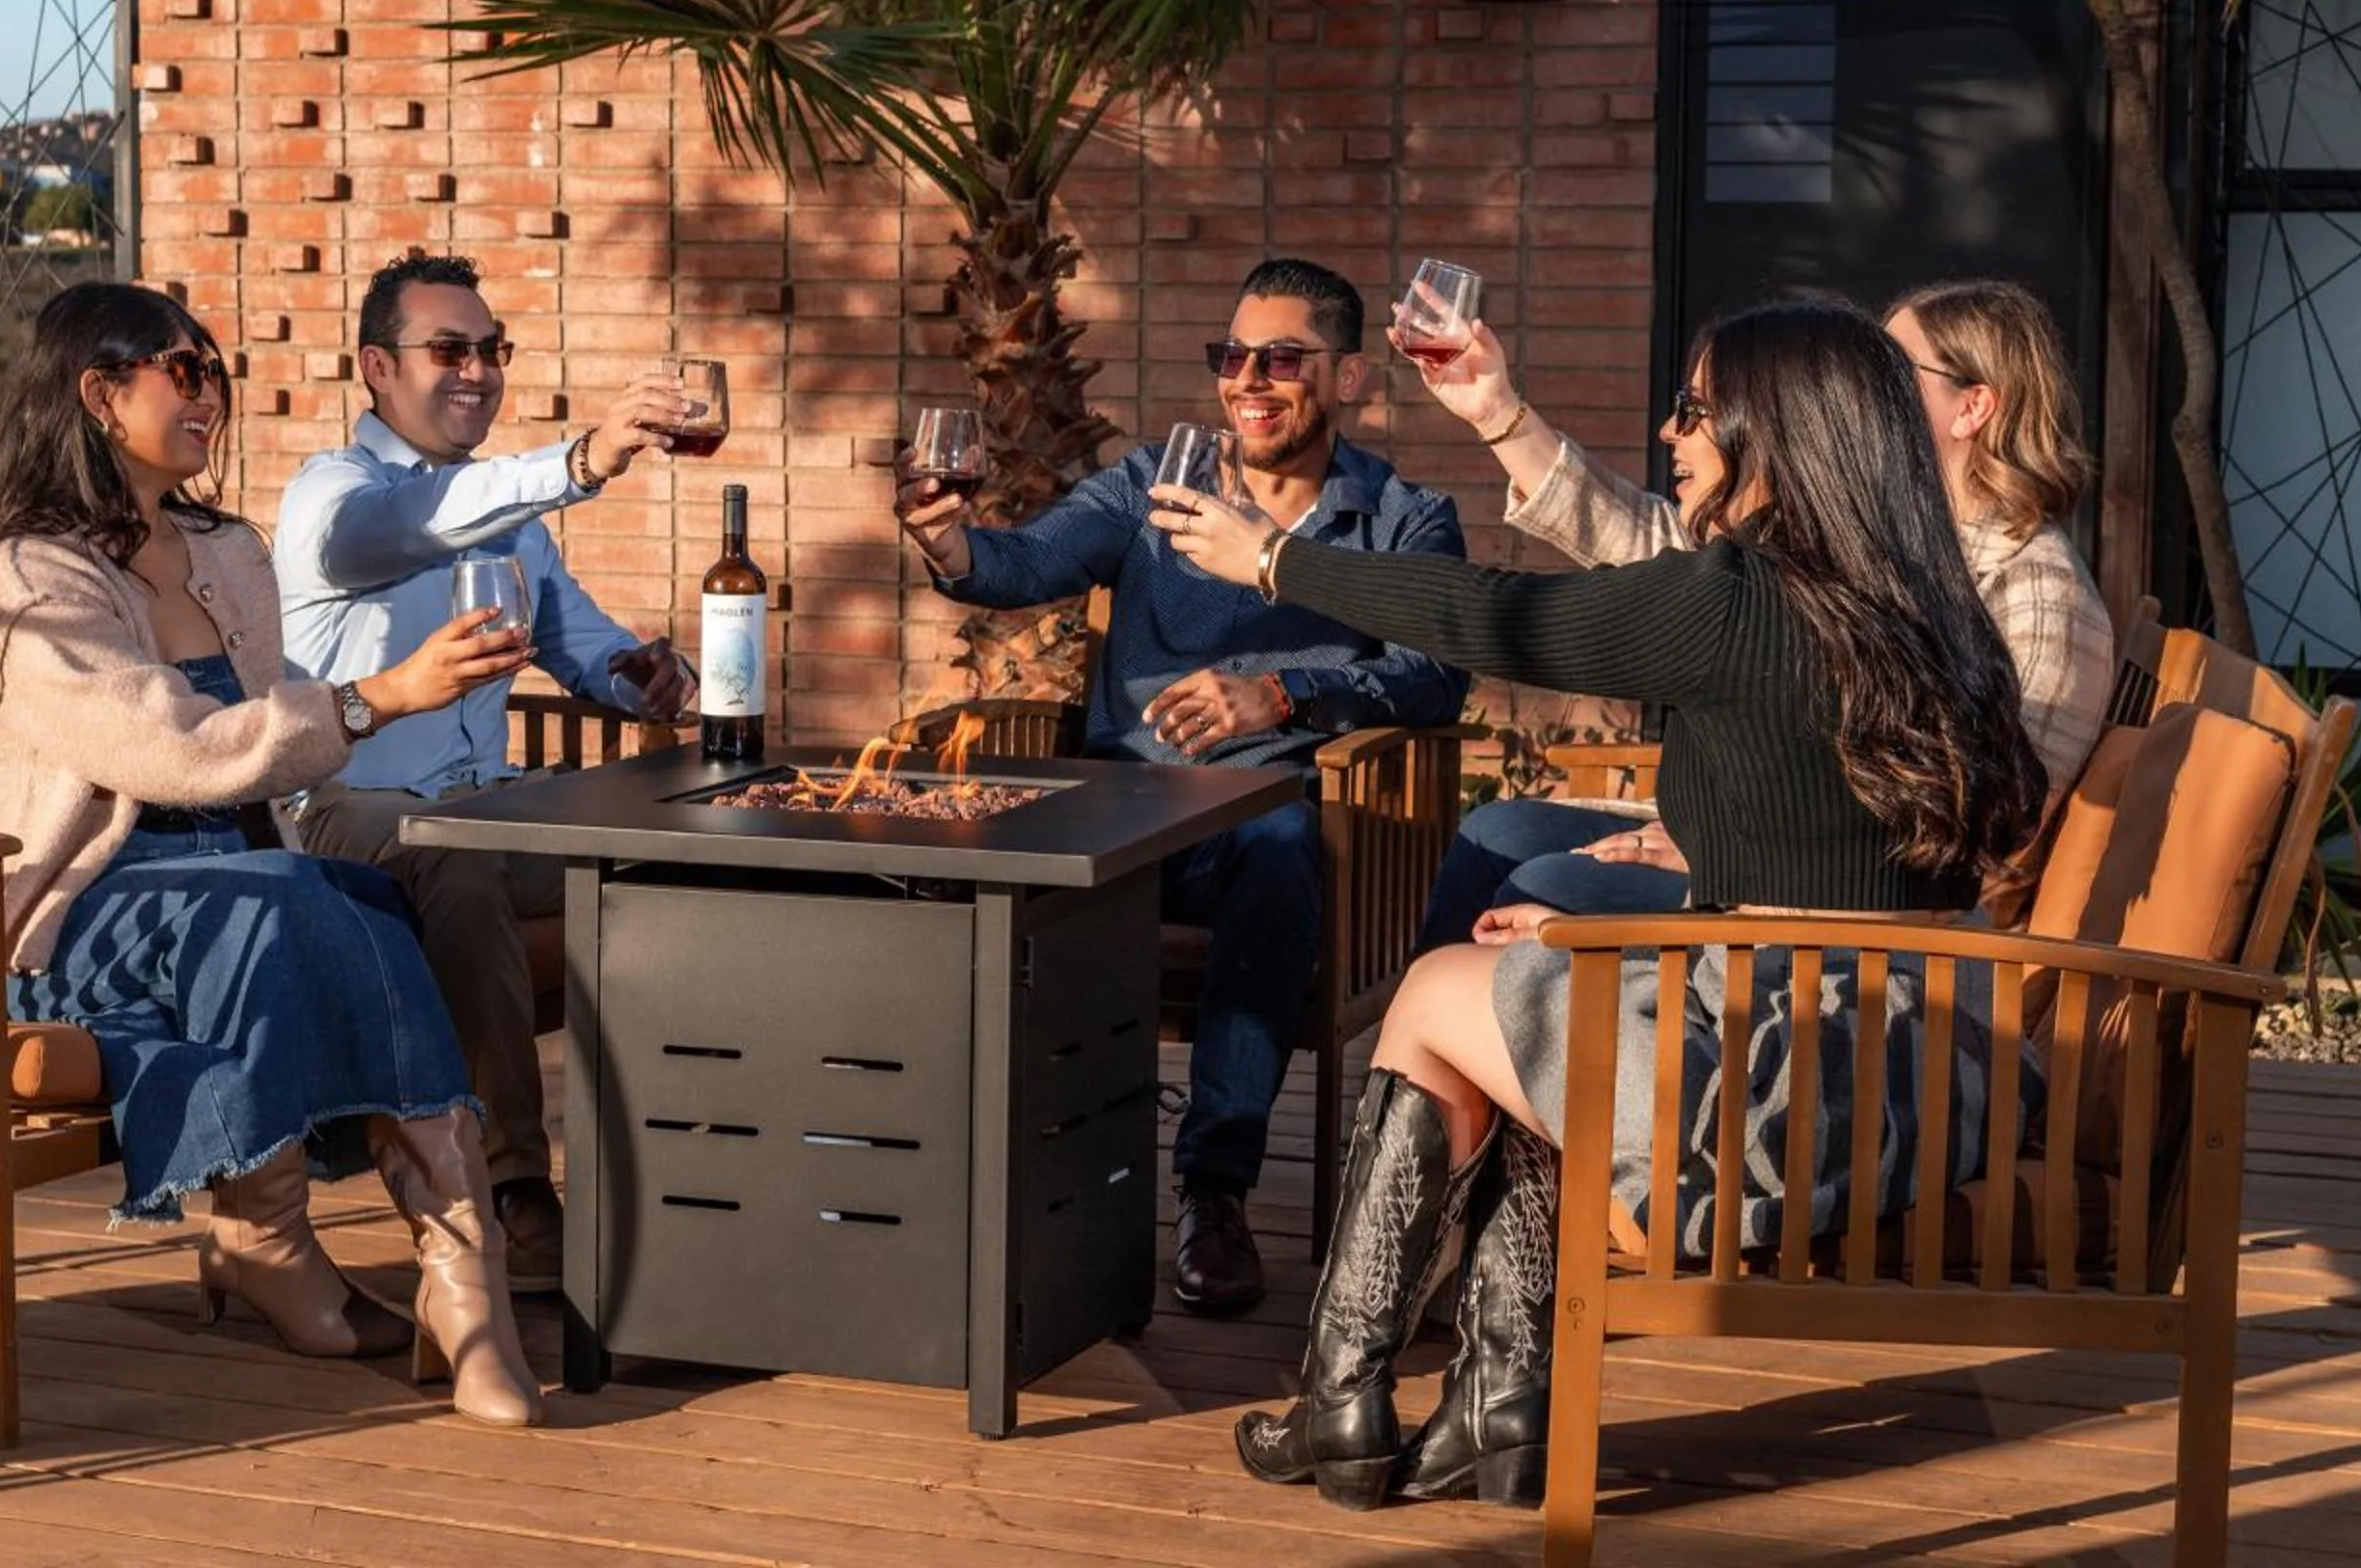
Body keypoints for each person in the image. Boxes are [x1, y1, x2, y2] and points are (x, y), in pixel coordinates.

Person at [1150, 297, 2045, 1508]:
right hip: (1923, 1071)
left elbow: (1495, 619)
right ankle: (1494, 1402)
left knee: (1428, 994)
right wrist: (1601, 933)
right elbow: (1823, 869)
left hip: (1769, 1100)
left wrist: (1272, 556)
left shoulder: (1735, 597)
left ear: (1773, 432)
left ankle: (1346, 1396)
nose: (1672, 433)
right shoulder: (1934, 607)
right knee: (1515, 985)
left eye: (1694, 409)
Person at [0, 282, 546, 1428]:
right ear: (99, 392)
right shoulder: (25, 578)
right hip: (87, 914)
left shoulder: (227, 550)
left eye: (216, 370)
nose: (211, 391)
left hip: (241, 881)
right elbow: (173, 750)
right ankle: (274, 1240)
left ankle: (465, 1280)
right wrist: (376, 699)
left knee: (341, 889)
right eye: (185, 369)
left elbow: (266, 759)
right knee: (283, 899)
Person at [897, 258, 1469, 1315]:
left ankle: (1214, 1187)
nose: (1248, 378)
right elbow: (1024, 565)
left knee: (1283, 846)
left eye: (1281, 357)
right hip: (1122, 818)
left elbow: (1437, 672)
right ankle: (950, 1175)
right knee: (954, 846)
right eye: (1232, 355)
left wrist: (1284, 694)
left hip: (1253, 837)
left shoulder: (1403, 516)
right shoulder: (1159, 480)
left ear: (1349, 378)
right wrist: (949, 541)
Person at [1419, 278, 2112, 946]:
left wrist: (1735, 859)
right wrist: (1497, 415)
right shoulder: (1887, 533)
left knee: (1538, 885)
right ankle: (1421, 1052)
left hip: (1843, 915)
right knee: (1495, 835)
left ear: (1974, 408)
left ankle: (1464, 1041)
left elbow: (1981, 830)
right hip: (1750, 846)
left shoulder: (2039, 590)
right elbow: (1669, 550)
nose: (1865, 382)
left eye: (1895, 369)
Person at [272, 251, 700, 1295]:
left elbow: (589, 649)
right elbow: (408, 529)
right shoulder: (334, 493)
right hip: (336, 806)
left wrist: (644, 674)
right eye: (449, 349)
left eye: (492, 349)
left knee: (683, 852)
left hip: (490, 805)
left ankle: (695, 1174)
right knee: (456, 861)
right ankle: (516, 1190)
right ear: (378, 365)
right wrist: (585, 457)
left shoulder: (507, 511)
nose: (478, 370)